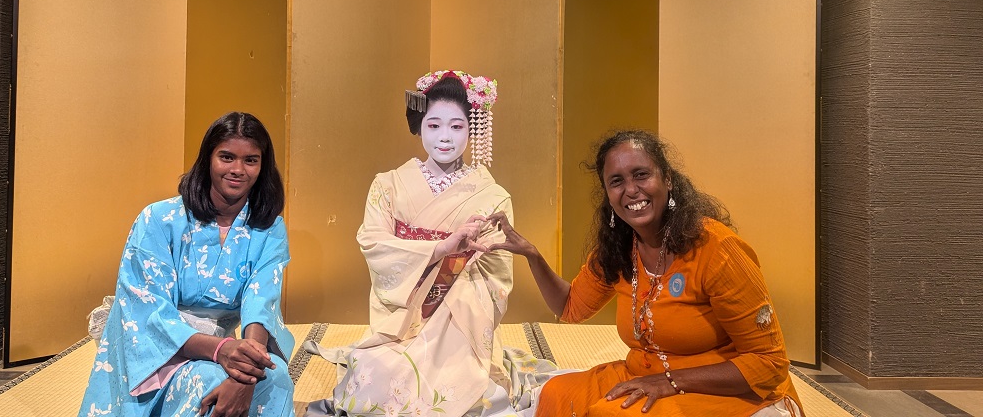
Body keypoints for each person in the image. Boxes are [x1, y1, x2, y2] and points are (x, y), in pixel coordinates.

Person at [487, 130, 804, 417]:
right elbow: (571, 307)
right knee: (556, 396)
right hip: (642, 373)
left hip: (714, 383)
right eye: (617, 181)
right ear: (608, 194)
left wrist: (669, 382)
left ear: (667, 178)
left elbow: (769, 363)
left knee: (616, 414)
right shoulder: (619, 248)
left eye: (641, 175)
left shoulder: (719, 250)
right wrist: (532, 255)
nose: (631, 190)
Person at [306, 70, 556, 417]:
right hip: (402, 314)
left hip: (459, 317)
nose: (444, 137)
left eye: (457, 126)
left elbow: (495, 280)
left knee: (458, 388)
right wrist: (440, 249)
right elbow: (373, 243)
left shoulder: (493, 196)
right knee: (375, 379)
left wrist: (453, 278)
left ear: (473, 130)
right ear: (419, 126)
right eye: (434, 125)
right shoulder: (388, 184)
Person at [78, 112, 296, 417]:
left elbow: (261, 301)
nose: (238, 169)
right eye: (226, 157)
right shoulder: (157, 219)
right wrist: (222, 353)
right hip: (158, 348)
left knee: (277, 380)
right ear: (207, 159)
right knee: (208, 383)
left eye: (251, 160)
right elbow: (149, 312)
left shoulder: (269, 227)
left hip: (230, 350)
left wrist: (248, 366)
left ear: (263, 167)